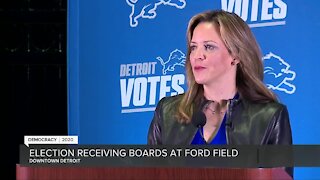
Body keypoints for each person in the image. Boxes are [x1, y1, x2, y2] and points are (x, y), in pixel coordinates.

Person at [147, 9, 293, 177]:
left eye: (209, 47)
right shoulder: (167, 112)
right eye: (193, 47)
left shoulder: (269, 117)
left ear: (236, 56)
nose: (197, 56)